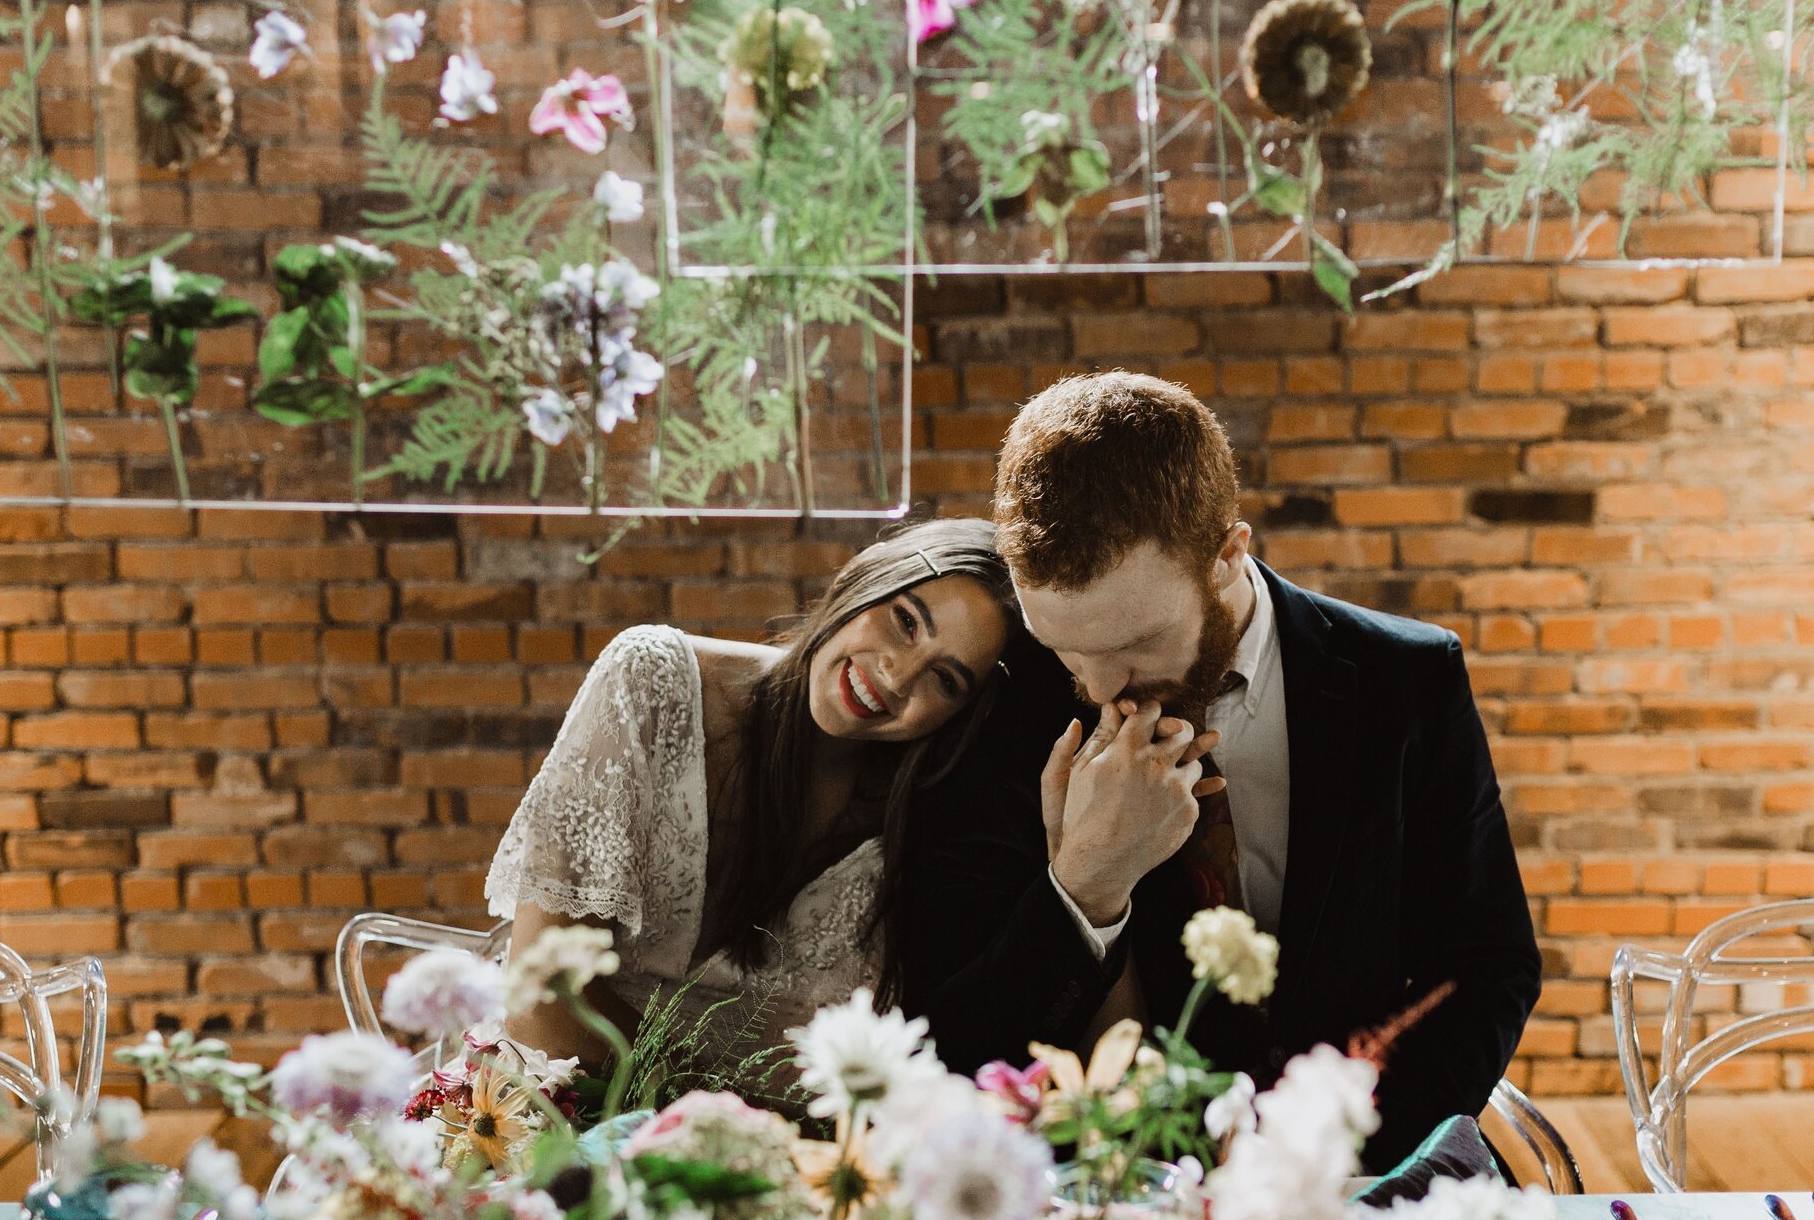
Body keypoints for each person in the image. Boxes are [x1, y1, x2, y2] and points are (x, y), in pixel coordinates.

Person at [896, 372, 1542, 1170]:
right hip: (1111, 1196)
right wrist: (1085, 884)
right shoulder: (996, 712)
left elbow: (1486, 968)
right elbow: (956, 1042)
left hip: (1361, 1178)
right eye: (1065, 648)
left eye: (1134, 644)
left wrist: (1340, 1162)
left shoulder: (1405, 682)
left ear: (1229, 554)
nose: (1098, 691)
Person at [487, 519, 1019, 1076]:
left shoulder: (928, 826)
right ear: (864, 575)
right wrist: (700, 1128)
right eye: (906, 622)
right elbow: (539, 1003)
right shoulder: (651, 683)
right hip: (544, 1116)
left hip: (770, 1156)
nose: (897, 674)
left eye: (945, 680)